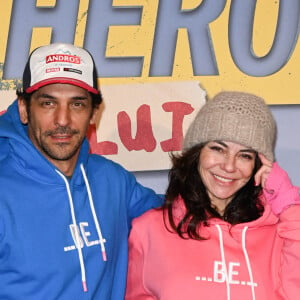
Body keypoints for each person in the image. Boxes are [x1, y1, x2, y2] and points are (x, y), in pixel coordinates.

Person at [0, 43, 162, 299]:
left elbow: (183, 212)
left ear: (94, 112)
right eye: (48, 103)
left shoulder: (114, 181)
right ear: (23, 109)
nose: (62, 120)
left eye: (77, 105)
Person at [125, 91, 300, 300]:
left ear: (258, 165)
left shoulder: (281, 231)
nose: (228, 165)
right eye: (218, 149)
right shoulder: (149, 229)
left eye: (245, 155)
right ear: (197, 152)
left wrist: (289, 204)